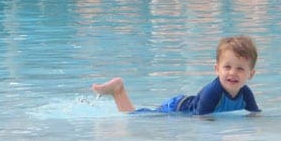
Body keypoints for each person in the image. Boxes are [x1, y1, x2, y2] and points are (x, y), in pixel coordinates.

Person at [92, 35, 261, 115]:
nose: (232, 73)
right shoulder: (213, 92)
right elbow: (202, 119)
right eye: (227, 67)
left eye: (240, 69)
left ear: (250, 74)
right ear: (216, 69)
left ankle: (118, 91)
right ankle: (118, 91)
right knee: (136, 117)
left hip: (186, 103)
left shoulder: (245, 93)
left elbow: (255, 114)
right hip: (176, 107)